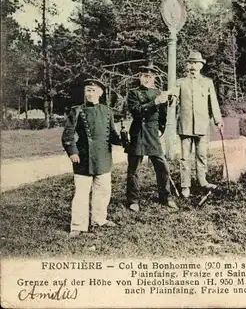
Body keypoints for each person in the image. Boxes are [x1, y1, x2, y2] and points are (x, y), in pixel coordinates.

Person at [62, 78, 122, 238]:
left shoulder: (107, 111)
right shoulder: (77, 110)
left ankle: (99, 219)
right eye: (87, 90)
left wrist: (124, 140)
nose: (89, 93)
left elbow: (112, 135)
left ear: (100, 93)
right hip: (83, 158)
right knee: (81, 193)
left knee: (103, 191)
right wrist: (72, 152)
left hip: (103, 158)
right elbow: (67, 135)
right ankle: (78, 226)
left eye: (93, 90)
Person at [126, 64, 178, 212]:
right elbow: (136, 111)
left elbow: (163, 116)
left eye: (149, 76)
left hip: (152, 134)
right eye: (143, 76)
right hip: (138, 133)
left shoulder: (158, 92)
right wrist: (154, 102)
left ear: (154, 78)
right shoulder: (133, 93)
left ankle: (165, 197)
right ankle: (133, 200)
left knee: (162, 167)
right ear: (139, 77)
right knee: (133, 169)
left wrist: (160, 130)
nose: (146, 79)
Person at [172, 51, 223, 198]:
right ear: (187, 65)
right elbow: (174, 97)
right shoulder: (180, 82)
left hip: (202, 124)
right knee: (184, 158)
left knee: (202, 155)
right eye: (191, 63)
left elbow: (213, 102)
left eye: (196, 63)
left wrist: (218, 120)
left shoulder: (207, 82)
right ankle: (185, 185)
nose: (193, 66)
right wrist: (171, 100)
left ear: (201, 65)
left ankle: (202, 180)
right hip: (185, 125)